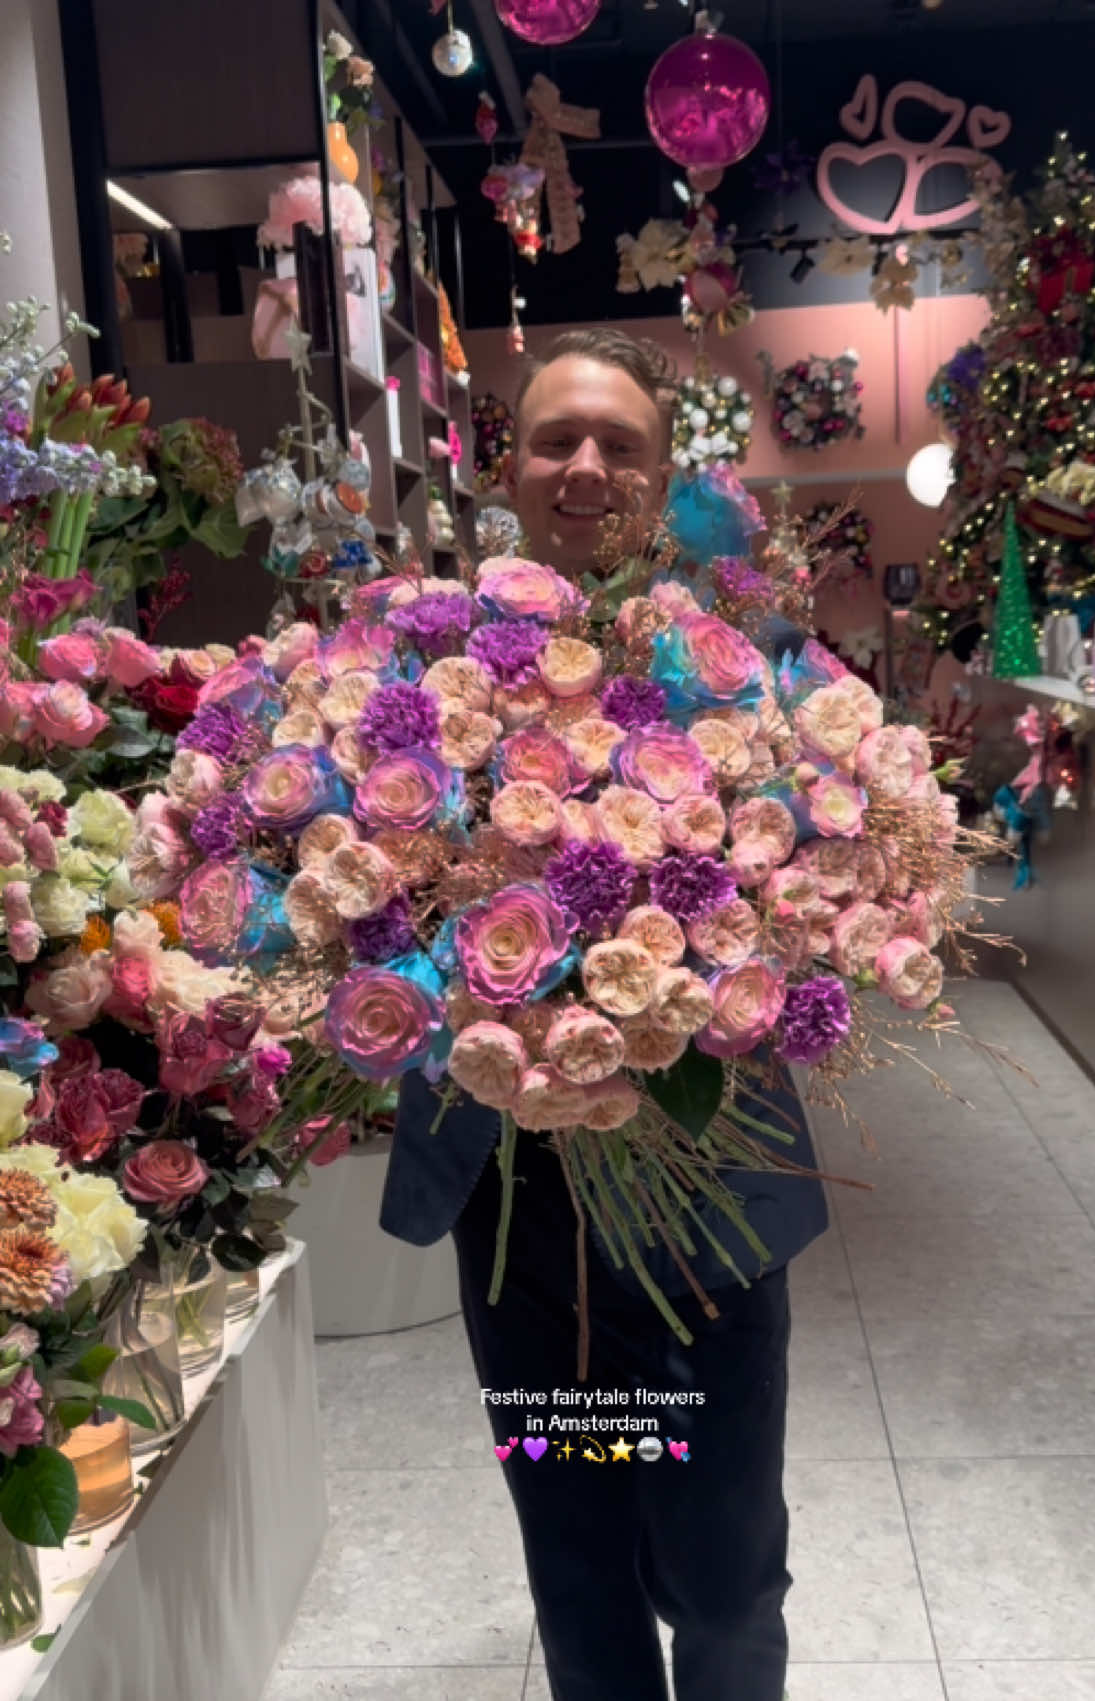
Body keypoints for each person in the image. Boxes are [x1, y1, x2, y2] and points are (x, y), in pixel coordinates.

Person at [381, 328, 829, 1701]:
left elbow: (825, 899)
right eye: (552, 439)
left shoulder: (754, 677)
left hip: (706, 1194)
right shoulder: (412, 676)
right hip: (514, 1210)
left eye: (616, 444)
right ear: (502, 466)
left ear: (659, 476)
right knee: (568, 1551)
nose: (582, 467)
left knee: (724, 1560)